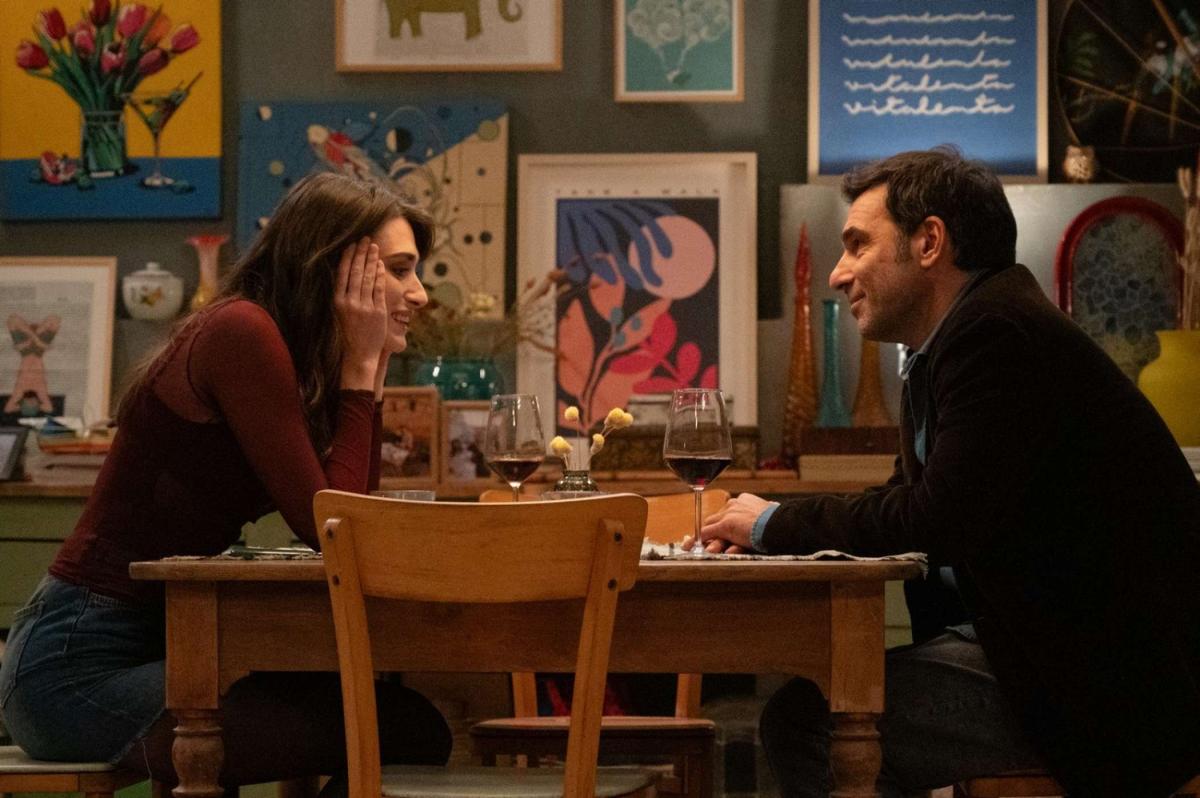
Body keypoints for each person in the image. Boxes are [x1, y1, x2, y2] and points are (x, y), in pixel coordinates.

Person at [693, 148, 1200, 797]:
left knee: (807, 721)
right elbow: (911, 499)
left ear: (929, 241)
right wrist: (769, 527)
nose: (838, 274)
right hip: (1057, 652)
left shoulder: (998, 334)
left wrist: (772, 523)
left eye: (857, 244)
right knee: (820, 706)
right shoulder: (954, 342)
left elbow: (935, 517)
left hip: (1113, 682)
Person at [0, 172, 451, 792]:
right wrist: (362, 366)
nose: (419, 294)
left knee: (400, 721)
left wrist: (367, 374)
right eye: (399, 271)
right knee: (404, 730)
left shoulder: (284, 352)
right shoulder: (241, 331)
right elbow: (332, 527)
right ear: (333, 270)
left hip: (167, 649)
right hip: (76, 670)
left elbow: (348, 522)